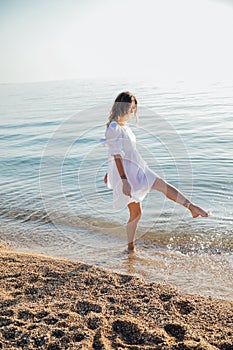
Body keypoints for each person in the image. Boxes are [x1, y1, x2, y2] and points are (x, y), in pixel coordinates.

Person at [104, 91, 210, 252]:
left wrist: (109, 173)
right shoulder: (113, 128)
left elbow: (116, 153)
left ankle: (191, 207)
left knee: (151, 198)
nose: (131, 111)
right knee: (142, 207)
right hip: (130, 174)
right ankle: (131, 248)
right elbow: (116, 155)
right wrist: (123, 180)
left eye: (133, 108)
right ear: (121, 106)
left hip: (137, 168)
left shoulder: (123, 126)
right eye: (129, 107)